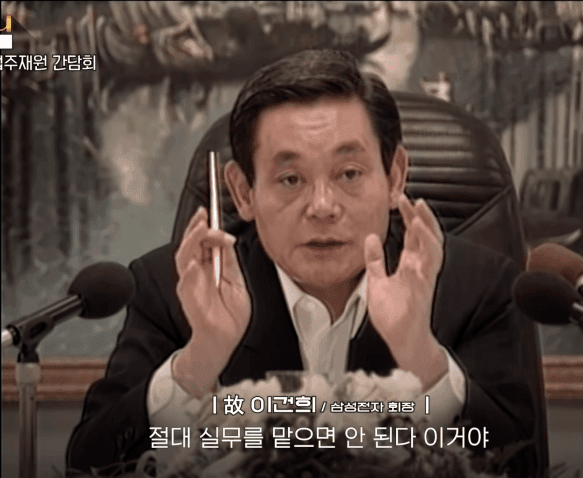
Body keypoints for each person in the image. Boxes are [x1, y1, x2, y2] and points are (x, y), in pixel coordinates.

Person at [66, 49, 542, 477]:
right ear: (243, 193)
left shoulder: (477, 287)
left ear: (395, 176)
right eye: (291, 179)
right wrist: (196, 366)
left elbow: (520, 465)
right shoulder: (172, 288)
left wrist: (423, 358)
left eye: (349, 173)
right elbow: (91, 464)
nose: (322, 206)